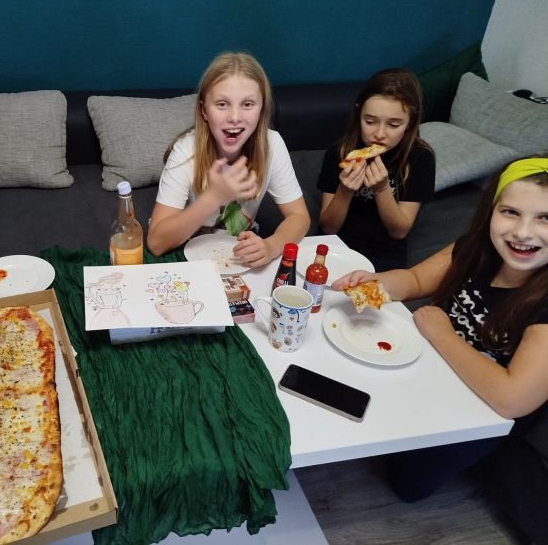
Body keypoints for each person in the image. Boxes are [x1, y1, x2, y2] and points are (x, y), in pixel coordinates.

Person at [333, 157, 548, 543]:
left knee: (407, 485)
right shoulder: (475, 248)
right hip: (430, 365)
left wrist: (442, 334)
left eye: (545, 219)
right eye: (511, 212)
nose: (523, 232)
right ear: (491, 210)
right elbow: (415, 280)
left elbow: (512, 399)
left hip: (479, 412)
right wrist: (368, 287)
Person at [146, 52, 310, 267]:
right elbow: (156, 243)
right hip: (189, 257)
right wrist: (214, 197)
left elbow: (299, 216)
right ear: (204, 111)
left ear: (262, 110)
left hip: (239, 259)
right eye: (222, 104)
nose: (234, 117)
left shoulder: (272, 145)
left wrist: (271, 246)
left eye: (248, 104)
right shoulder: (186, 150)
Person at [317, 68, 435, 271]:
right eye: (370, 122)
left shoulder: (420, 159)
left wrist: (381, 189)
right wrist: (345, 191)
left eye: (393, 125)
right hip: (337, 247)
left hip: (383, 255)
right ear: (359, 113)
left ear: (410, 123)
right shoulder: (340, 152)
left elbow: (399, 231)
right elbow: (328, 227)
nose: (380, 134)